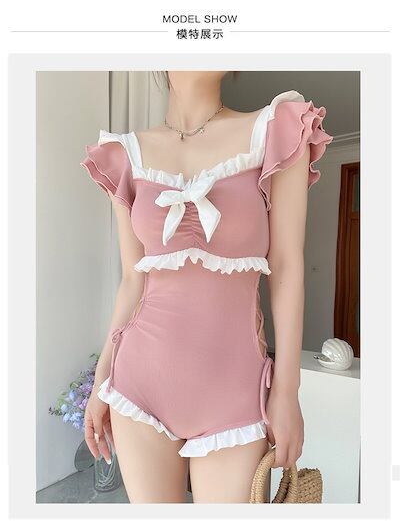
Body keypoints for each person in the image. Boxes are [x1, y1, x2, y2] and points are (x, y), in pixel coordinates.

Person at [80, 71, 333, 503]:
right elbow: (132, 279)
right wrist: (101, 382)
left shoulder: (277, 129)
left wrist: (287, 392)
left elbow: (288, 267)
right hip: (138, 385)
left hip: (235, 393)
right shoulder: (125, 154)